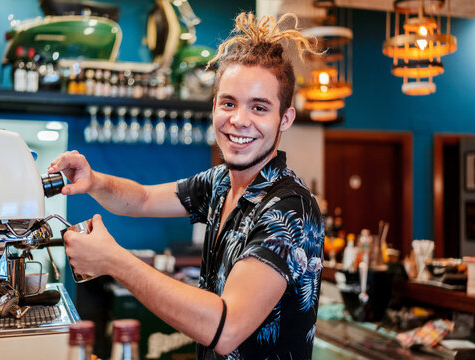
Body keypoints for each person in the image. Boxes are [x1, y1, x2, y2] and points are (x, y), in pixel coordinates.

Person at [49, 12, 324, 360]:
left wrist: (114, 261)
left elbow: (225, 328)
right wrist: (94, 181)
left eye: (259, 107)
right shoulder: (220, 182)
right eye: (229, 103)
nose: (239, 120)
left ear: (284, 118)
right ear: (214, 108)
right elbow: (144, 198)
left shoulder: (289, 208)